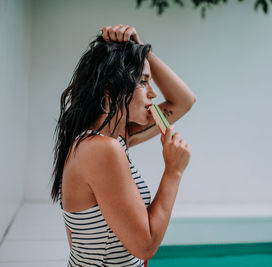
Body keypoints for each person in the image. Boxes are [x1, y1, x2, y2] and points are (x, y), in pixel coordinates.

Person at [50, 24, 196, 266]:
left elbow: (184, 101)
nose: (153, 94)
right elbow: (145, 246)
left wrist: (142, 50)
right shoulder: (102, 149)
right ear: (111, 87)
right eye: (143, 82)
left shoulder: (115, 138)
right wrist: (174, 171)